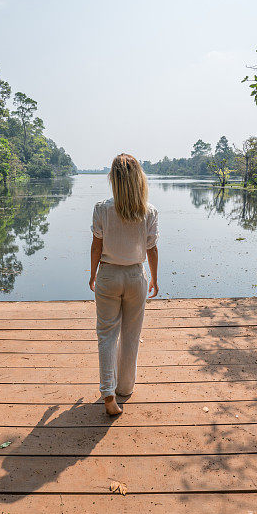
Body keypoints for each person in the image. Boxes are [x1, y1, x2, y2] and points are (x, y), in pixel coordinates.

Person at [89, 153, 159, 416]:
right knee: (131, 335)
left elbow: (97, 245)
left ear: (113, 180)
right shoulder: (149, 211)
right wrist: (154, 277)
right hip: (134, 277)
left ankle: (108, 392)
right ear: (138, 178)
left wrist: (93, 274)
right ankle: (125, 388)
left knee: (107, 335)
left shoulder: (102, 208)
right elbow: (151, 249)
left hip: (108, 275)